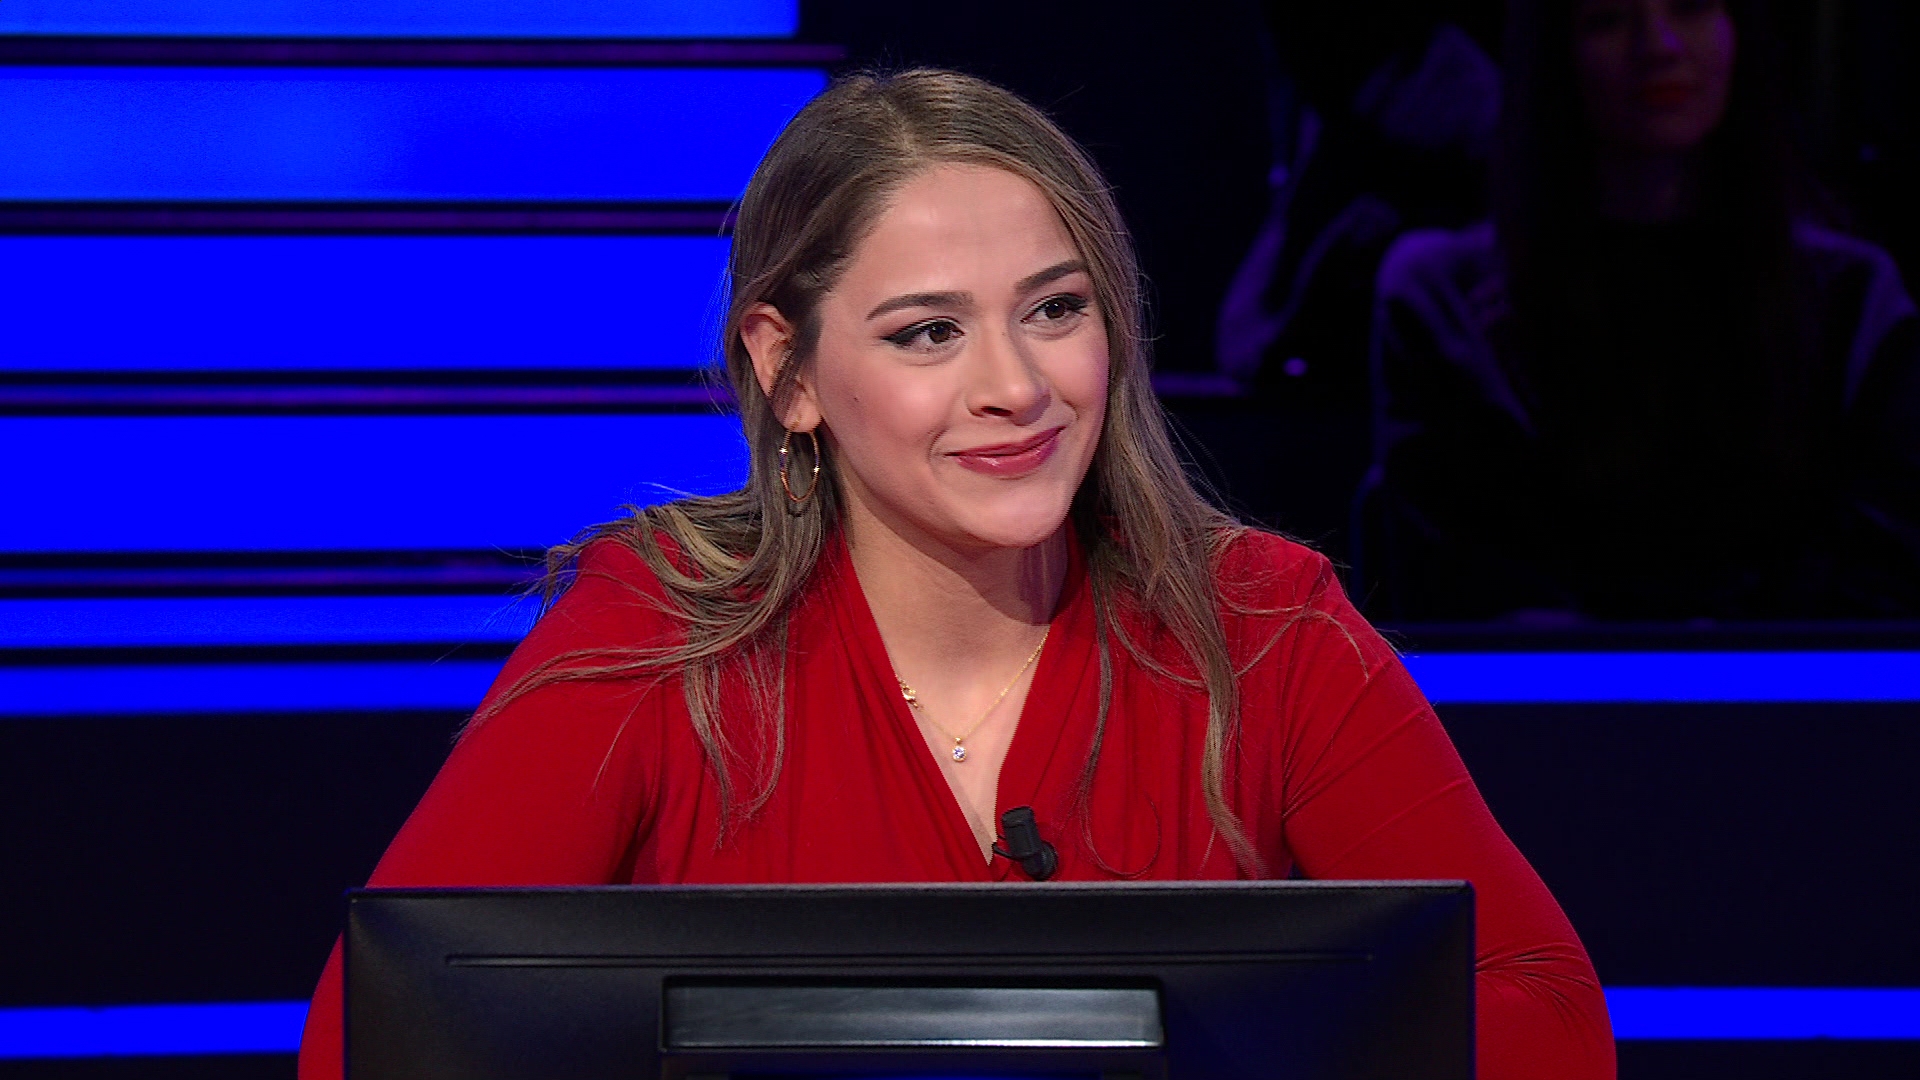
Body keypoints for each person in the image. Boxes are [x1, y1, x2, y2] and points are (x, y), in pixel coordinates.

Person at [298, 69, 1614, 1078]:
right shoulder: (655, 634)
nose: (1017, 387)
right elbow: (384, 1031)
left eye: (1056, 309)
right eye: (929, 332)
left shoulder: (1263, 625)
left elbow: (1546, 1011)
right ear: (788, 371)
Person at [1362, 0, 1920, 621]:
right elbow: (1456, 586)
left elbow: (1884, 575)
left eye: (1690, 7)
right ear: (1551, 56)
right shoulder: (1441, 301)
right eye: (1608, 18)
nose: (1659, 46)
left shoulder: (1853, 299)